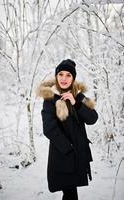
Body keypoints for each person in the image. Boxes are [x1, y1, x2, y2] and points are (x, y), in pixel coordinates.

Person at [36, 59, 98, 200]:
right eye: (61, 74)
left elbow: (93, 118)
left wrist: (75, 103)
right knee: (70, 193)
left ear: (73, 78)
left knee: (71, 192)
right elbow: (49, 128)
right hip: (63, 156)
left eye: (68, 75)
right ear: (56, 76)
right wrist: (69, 148)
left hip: (78, 156)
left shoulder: (79, 96)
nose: (64, 78)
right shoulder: (50, 98)